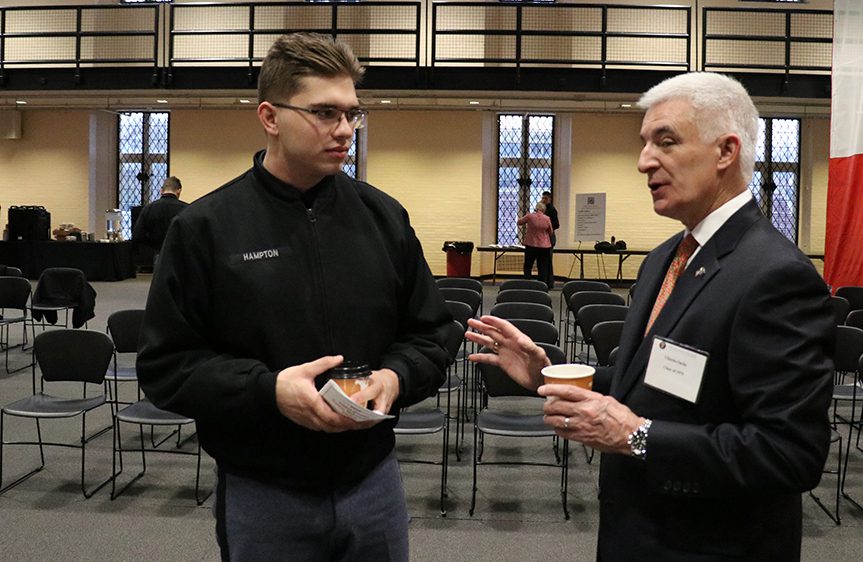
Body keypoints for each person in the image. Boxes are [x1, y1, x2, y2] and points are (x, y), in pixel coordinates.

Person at [467, 72, 834, 561]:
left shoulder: (775, 275)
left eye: (666, 141)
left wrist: (637, 437)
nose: (644, 162)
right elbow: (658, 380)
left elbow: (790, 454)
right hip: (639, 532)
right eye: (644, 144)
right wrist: (547, 374)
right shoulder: (666, 256)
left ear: (726, 152)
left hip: (711, 545)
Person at [137, 33, 451, 561]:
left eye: (353, 114)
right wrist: (267, 391)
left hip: (373, 482)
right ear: (269, 116)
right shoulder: (206, 228)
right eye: (325, 113)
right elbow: (167, 366)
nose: (345, 130)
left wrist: (396, 377)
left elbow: (432, 334)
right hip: (264, 492)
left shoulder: (383, 217)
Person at [132, 176, 187, 259]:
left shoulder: (149, 208)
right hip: (180, 255)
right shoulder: (185, 209)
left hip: (159, 253)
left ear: (161, 190)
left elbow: (137, 234)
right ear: (179, 191)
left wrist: (152, 244)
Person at [517, 201, 554, 288]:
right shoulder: (547, 218)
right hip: (544, 246)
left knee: (528, 265)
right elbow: (551, 232)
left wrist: (524, 215)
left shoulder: (530, 216)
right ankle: (542, 285)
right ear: (543, 210)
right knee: (542, 267)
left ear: (536, 208)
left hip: (531, 245)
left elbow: (519, 222)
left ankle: (527, 284)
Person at [541, 190, 559, 287]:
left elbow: (556, 224)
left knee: (548, 260)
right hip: (544, 237)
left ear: (550, 199)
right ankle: (546, 281)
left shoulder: (551, 210)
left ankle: (549, 282)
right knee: (545, 260)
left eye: (546, 198)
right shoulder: (543, 209)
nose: (543, 200)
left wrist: (548, 228)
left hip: (549, 237)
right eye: (543, 198)